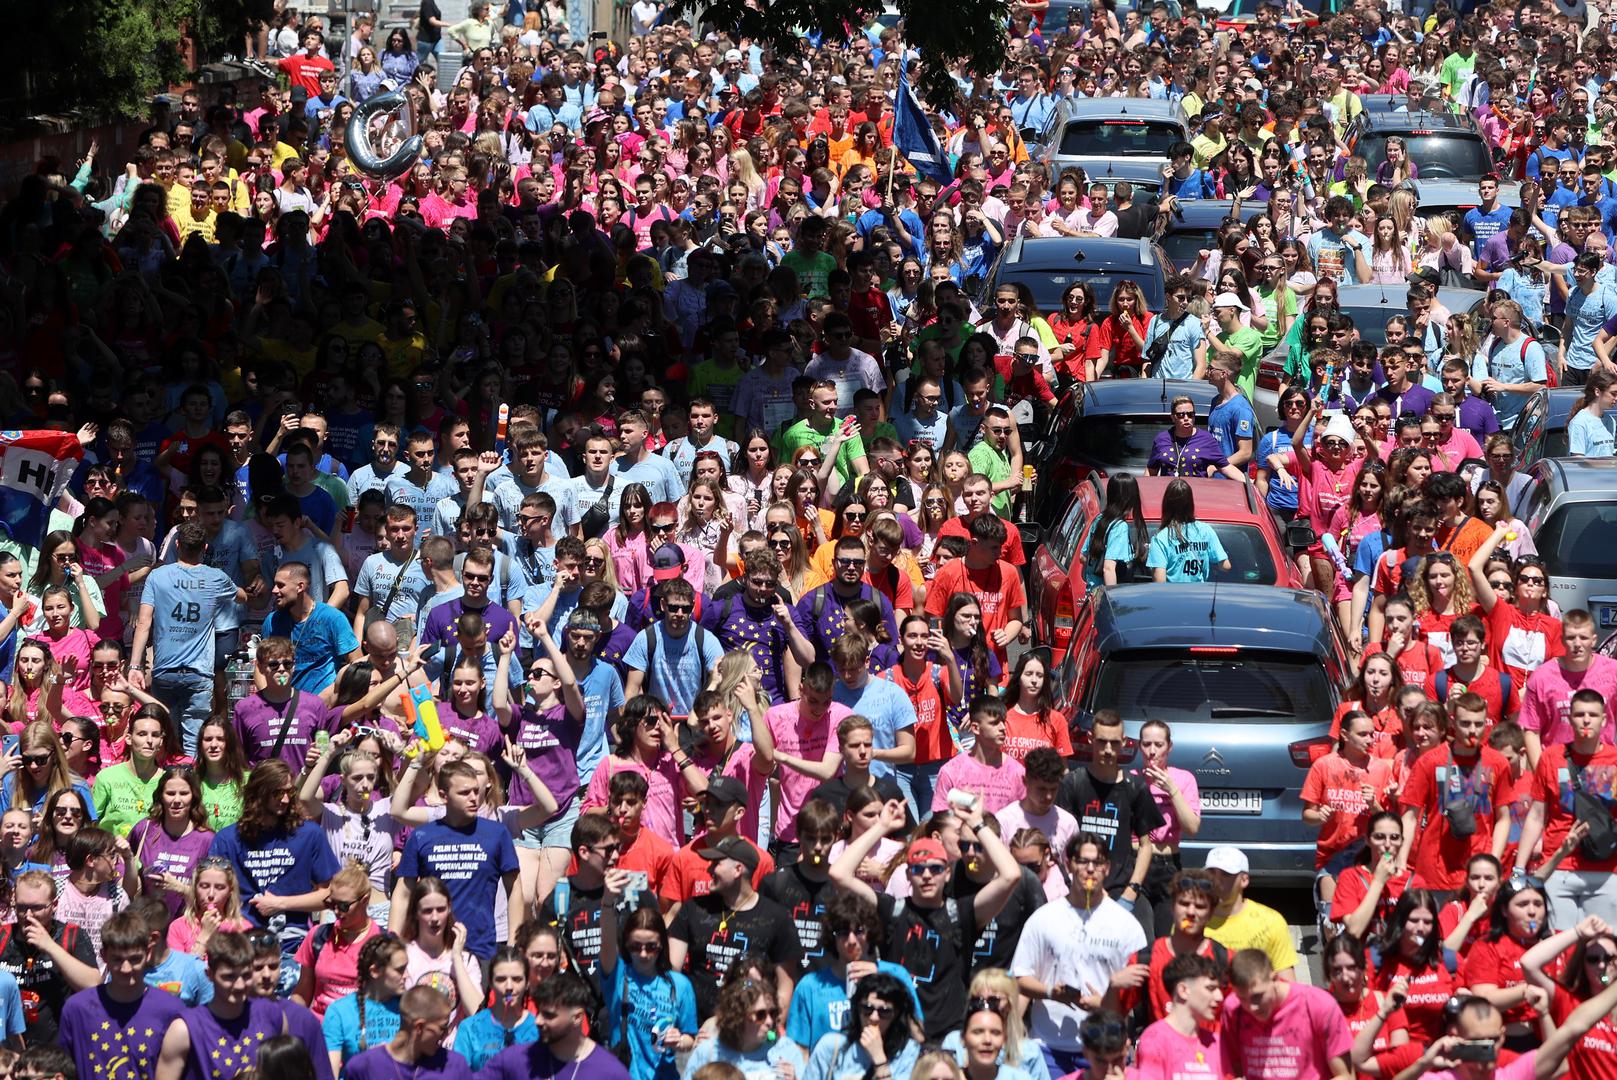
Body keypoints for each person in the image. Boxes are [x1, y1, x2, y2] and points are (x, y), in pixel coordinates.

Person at [831, 799, 1020, 1040]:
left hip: (948, 1037)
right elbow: (839, 873)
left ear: (948, 872)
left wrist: (977, 823)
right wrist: (881, 827)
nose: (927, 876)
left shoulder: (961, 914)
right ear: (908, 874)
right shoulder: (892, 911)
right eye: (919, 869)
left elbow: (1011, 875)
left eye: (936, 868)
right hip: (899, 1036)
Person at [389, 759, 522, 962]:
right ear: (444, 796)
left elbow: (515, 889)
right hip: (430, 951)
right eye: (464, 793)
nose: (473, 798)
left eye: (476, 791)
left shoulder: (497, 834)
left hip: (480, 949)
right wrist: (394, 942)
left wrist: (514, 944)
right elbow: (403, 893)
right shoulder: (422, 836)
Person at [129, 522, 240, 757]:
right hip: (199, 673)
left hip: (164, 670)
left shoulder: (157, 576)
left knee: (164, 736)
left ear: (177, 545)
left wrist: (135, 665)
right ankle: (190, 786)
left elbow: (143, 622)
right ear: (205, 547)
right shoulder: (215, 578)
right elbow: (241, 597)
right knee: (193, 743)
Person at [57, 908, 187, 1080]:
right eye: (117, 959)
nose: (126, 969)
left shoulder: (171, 1010)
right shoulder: (77, 1009)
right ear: (104, 956)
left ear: (148, 953)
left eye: (134, 959)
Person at [474, 971, 632, 1080]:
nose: (538, 1021)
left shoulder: (610, 1072)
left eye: (549, 1015)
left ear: (577, 1018)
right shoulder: (516, 1059)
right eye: (539, 1013)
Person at [1221, 949, 1352, 1080]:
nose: (1251, 1007)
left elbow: (1345, 1076)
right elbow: (1233, 1070)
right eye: (1242, 998)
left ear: (1274, 978)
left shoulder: (1317, 1005)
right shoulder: (1233, 1009)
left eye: (1257, 996)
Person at [800, 972, 924, 1080]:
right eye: (867, 1009)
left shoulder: (908, 1052)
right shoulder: (832, 1046)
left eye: (884, 1012)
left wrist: (879, 1059)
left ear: (896, 1014)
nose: (874, 1017)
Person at [340, 984, 474, 1080]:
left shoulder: (454, 1065)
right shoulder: (364, 1066)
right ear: (419, 1027)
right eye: (442, 1028)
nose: (446, 1034)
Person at [1203, 846, 1298, 979]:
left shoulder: (1271, 922)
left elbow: (1288, 986)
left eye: (1226, 874)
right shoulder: (1193, 920)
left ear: (1244, 880)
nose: (1217, 881)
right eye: (1211, 873)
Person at [1132, 953, 1224, 1080]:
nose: (1220, 997)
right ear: (1183, 990)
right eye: (1210, 988)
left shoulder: (1215, 1042)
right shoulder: (1155, 1040)